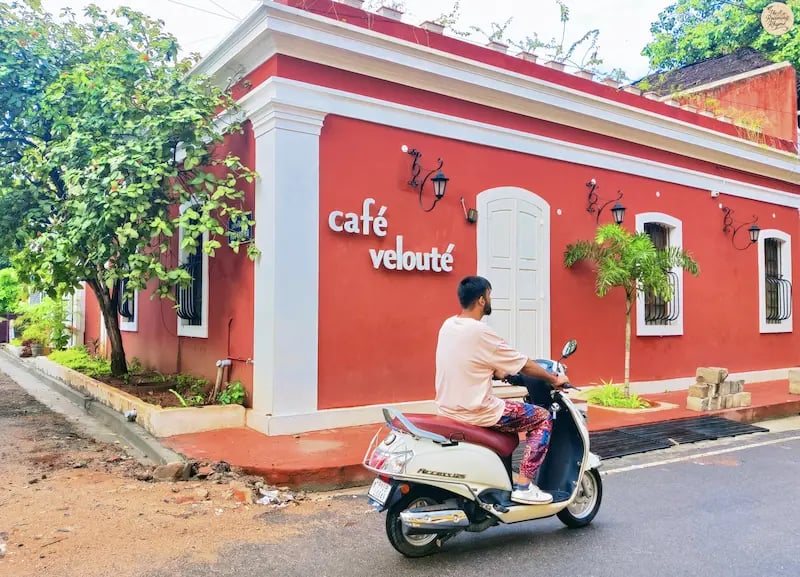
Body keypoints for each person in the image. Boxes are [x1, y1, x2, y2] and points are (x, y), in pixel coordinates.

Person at [434, 275, 569, 505]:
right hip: (478, 410)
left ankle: (502, 480)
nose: (490, 299)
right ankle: (525, 486)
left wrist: (495, 371)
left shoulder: (448, 325)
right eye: (489, 295)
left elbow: (468, 360)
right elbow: (524, 364)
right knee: (542, 418)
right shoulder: (480, 331)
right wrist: (553, 378)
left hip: (448, 408)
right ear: (480, 300)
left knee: (512, 424)